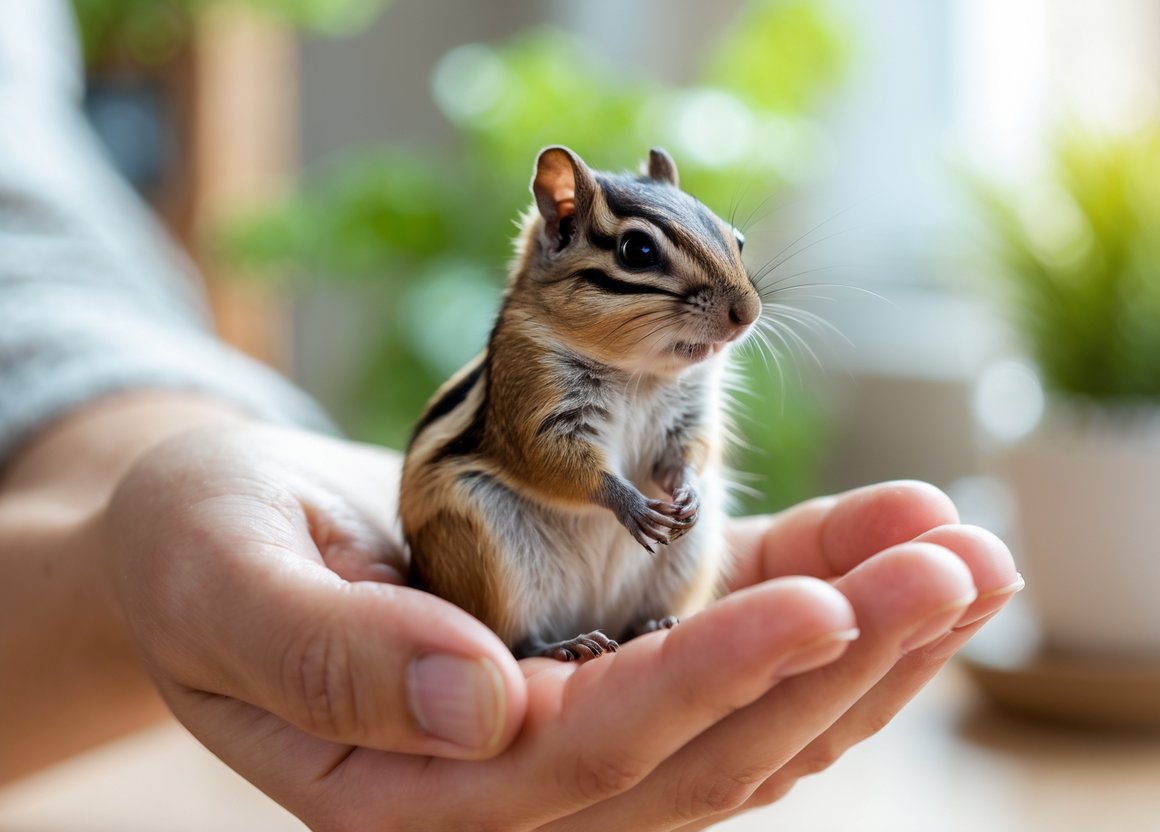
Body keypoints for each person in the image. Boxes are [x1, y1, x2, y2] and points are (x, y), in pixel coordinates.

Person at [0, 1, 1021, 828]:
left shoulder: (686, 349)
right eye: (644, 263)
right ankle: (527, 641)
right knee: (487, 495)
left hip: (613, 558)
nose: (736, 309)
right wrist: (617, 490)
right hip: (513, 507)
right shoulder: (541, 349)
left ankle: (649, 622)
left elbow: (35, 248)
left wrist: (671, 480)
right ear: (558, 232)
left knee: (697, 511)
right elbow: (544, 454)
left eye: (734, 270)